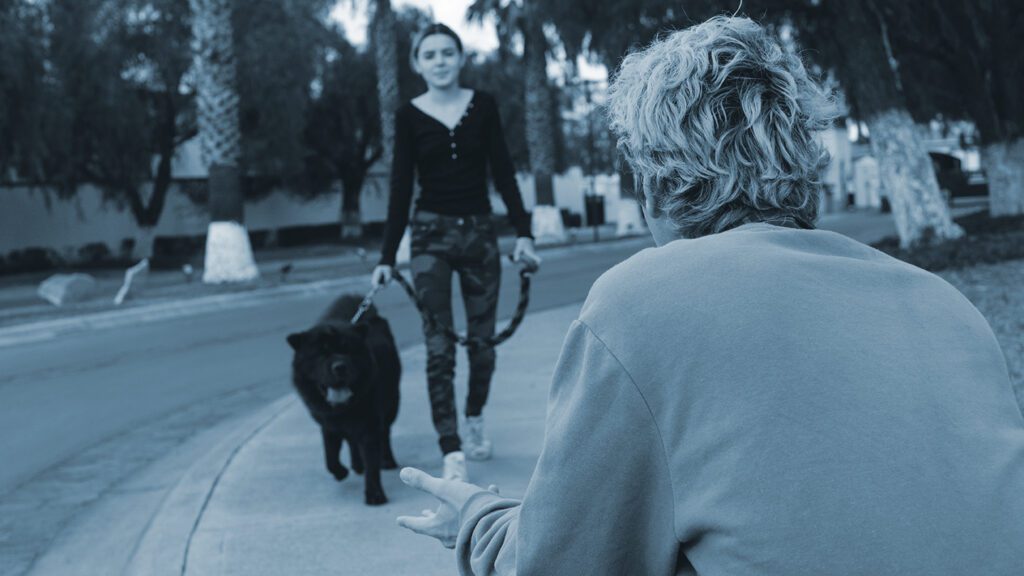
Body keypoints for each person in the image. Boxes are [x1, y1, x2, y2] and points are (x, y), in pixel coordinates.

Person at [396, 15, 1024, 576]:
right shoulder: (948, 307)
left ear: (653, 179)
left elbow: (563, 562)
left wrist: (479, 520)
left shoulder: (639, 306)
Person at [372, 23, 540, 482]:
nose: (440, 61)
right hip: (429, 239)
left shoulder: (483, 107)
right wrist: (387, 257)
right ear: (417, 64)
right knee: (439, 349)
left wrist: (524, 234)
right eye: (430, 55)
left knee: (482, 348)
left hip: (480, 236)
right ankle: (451, 447)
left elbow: (504, 172)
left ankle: (474, 416)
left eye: (448, 52)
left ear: (460, 58)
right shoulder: (407, 116)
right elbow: (401, 188)